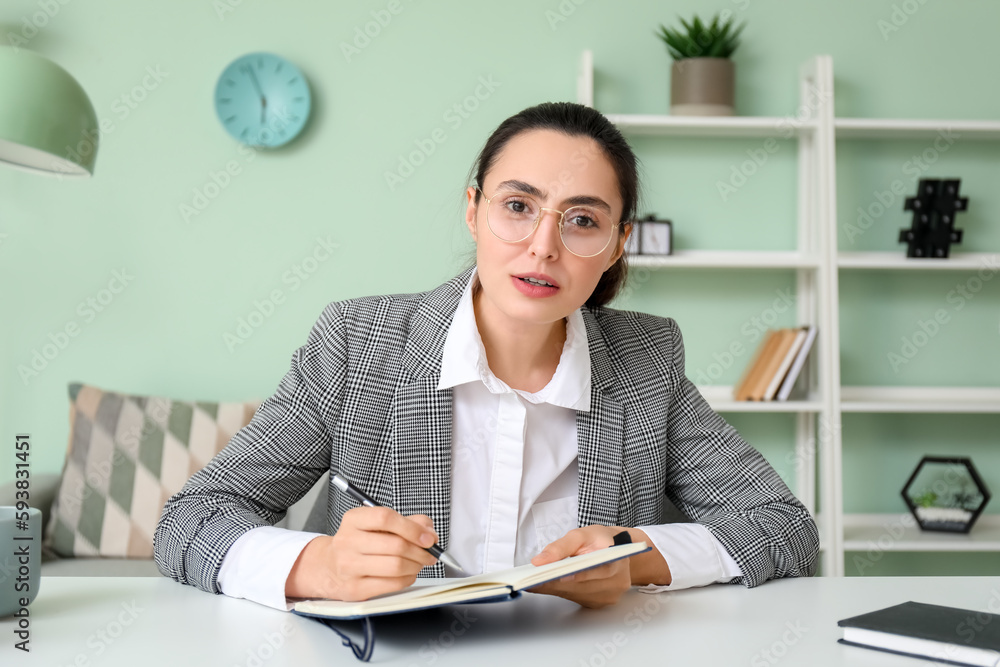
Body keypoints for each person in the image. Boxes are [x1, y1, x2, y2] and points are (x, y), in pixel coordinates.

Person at [154, 101, 819, 612]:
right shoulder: (358, 343)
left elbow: (783, 527)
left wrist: (639, 558)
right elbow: (193, 517)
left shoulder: (649, 360)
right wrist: (319, 566)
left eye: (582, 220)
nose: (543, 246)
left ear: (617, 245)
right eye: (518, 206)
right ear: (473, 211)